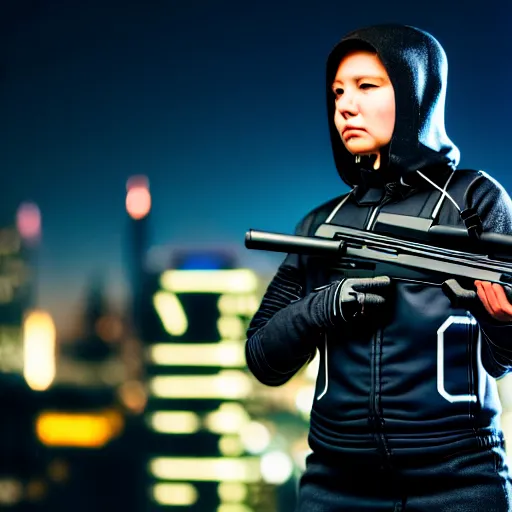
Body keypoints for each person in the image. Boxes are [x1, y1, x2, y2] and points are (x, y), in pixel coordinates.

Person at [245, 23, 512, 511]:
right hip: (333, 488)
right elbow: (263, 357)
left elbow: (503, 359)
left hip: (459, 487)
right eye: (338, 92)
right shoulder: (320, 223)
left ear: (415, 94)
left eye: (368, 86)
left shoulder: (475, 201)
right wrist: (325, 308)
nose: (346, 105)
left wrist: (501, 323)